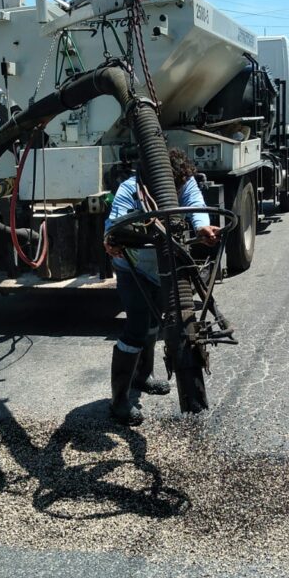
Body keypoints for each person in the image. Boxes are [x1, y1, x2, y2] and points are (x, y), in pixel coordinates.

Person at [104, 148, 221, 425]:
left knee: (155, 323)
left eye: (179, 185)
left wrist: (203, 226)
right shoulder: (130, 189)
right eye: (174, 185)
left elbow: (195, 204)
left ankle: (143, 377)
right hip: (133, 269)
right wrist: (111, 240)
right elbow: (113, 225)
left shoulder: (185, 181)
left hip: (163, 268)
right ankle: (118, 400)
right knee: (137, 325)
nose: (179, 189)